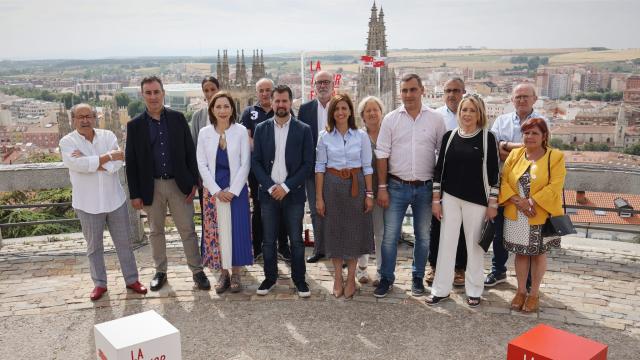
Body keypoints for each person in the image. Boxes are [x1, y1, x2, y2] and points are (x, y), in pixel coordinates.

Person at [125, 76, 210, 291]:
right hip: (150, 186)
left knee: (187, 229)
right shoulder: (134, 126)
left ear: (163, 93)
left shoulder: (178, 118)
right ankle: (160, 271)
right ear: (142, 95)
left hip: (178, 184)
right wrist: (135, 194)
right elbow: (131, 162)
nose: (153, 96)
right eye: (148, 93)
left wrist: (193, 183)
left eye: (156, 92)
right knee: (155, 231)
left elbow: (190, 152)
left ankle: (197, 271)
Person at [60, 103, 146, 301]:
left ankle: (132, 280)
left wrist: (90, 162)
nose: (85, 120)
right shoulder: (67, 141)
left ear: (94, 117)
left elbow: (117, 164)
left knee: (124, 243)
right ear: (73, 119)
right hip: (87, 204)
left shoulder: (108, 136)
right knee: (94, 247)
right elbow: (76, 164)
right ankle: (100, 284)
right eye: (80, 116)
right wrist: (107, 157)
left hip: (114, 200)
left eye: (88, 116)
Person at [374, 73, 446, 298]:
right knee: (389, 237)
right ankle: (386, 278)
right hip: (396, 186)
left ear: (422, 90)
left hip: (425, 187)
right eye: (404, 90)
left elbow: (442, 156)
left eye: (412, 90)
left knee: (423, 236)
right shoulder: (391, 119)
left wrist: (437, 193)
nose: (408, 95)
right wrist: (383, 187)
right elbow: (382, 155)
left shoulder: (435, 119)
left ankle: (417, 277)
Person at [426, 95, 499, 307]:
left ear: (480, 114)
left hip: (477, 201)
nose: (467, 114)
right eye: (464, 110)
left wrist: (492, 205)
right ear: (459, 113)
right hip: (449, 198)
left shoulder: (488, 138)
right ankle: (440, 289)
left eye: (472, 110)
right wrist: (436, 199)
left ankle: (474, 290)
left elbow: (495, 174)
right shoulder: (449, 137)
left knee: (474, 247)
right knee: (445, 245)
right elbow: (439, 170)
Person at [252, 85, 314, 298]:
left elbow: (308, 164)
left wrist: (286, 187)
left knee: (296, 240)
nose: (280, 104)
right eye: (277, 101)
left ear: (291, 102)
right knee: (268, 240)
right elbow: (256, 162)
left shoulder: (303, 129)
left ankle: (300, 280)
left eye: (284, 101)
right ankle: (270, 278)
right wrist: (271, 186)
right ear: (272, 101)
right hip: (268, 195)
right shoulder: (261, 129)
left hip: (293, 194)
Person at [499, 118, 565, 313]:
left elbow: (555, 185)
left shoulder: (555, 156)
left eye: (535, 133)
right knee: (520, 252)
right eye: (526, 133)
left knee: (538, 254)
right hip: (517, 212)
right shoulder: (516, 154)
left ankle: (534, 293)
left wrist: (531, 201)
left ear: (544, 136)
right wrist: (518, 201)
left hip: (541, 213)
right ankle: (520, 291)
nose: (530, 137)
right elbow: (504, 180)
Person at [485, 83, 545, 288]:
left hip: (531, 190)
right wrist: (525, 148)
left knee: (529, 234)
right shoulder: (501, 120)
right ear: (512, 100)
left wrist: (507, 146)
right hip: (505, 186)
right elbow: (493, 151)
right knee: (499, 231)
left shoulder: (542, 121)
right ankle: (498, 270)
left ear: (534, 99)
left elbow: (541, 151)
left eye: (525, 96)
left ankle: (528, 279)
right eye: (518, 96)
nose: (521, 100)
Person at [315, 93, 374, 299]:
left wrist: (369, 194)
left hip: (355, 186)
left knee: (354, 232)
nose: (341, 112)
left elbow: (367, 167)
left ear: (350, 111)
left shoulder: (361, 136)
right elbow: (320, 168)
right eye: (337, 109)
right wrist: (319, 198)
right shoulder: (324, 136)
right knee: (335, 232)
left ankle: (351, 280)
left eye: (344, 108)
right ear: (332, 113)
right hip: (332, 186)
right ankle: (338, 277)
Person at [196, 92, 252, 293]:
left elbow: (246, 163)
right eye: (218, 106)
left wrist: (234, 190)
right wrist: (217, 191)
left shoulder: (241, 131)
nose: (222, 110)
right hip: (213, 192)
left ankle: (236, 273)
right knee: (217, 233)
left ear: (232, 109)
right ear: (212, 109)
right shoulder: (204, 133)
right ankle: (223, 274)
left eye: (226, 106)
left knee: (236, 231)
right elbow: (202, 164)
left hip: (237, 190)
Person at [240, 78, 291, 262]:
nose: (264, 93)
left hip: (281, 168)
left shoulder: (282, 109)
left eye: (268, 90)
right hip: (259, 170)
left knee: (283, 207)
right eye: (261, 90)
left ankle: (283, 247)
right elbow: (247, 139)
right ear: (256, 92)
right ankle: (258, 247)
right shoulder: (249, 113)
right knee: (260, 207)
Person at [428, 77, 468, 286]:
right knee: (437, 225)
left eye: (456, 90)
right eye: (448, 90)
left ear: (464, 92)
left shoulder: (471, 114)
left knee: (462, 227)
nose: (452, 94)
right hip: (440, 178)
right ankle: (434, 266)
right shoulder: (435, 117)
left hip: (464, 180)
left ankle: (460, 268)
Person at [298, 70, 334, 263]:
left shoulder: (340, 106)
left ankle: (337, 249)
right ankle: (319, 248)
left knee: (336, 209)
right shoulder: (305, 109)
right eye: (319, 82)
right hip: (313, 169)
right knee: (315, 209)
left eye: (326, 82)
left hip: (336, 168)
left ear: (332, 85)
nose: (322, 85)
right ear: (314, 86)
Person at [355, 96, 385, 285]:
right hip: (362, 191)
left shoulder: (388, 135)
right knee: (361, 230)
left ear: (382, 113)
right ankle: (362, 267)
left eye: (376, 110)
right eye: (368, 111)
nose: (372, 113)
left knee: (380, 232)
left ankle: (382, 270)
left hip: (382, 190)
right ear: (362, 116)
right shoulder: (358, 136)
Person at [190, 76, 220, 245]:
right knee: (207, 214)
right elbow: (194, 147)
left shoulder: (229, 113)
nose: (209, 93)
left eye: (212, 89)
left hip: (226, 175)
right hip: (205, 175)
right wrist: (198, 176)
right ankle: (210, 249)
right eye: (206, 90)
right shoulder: (198, 116)